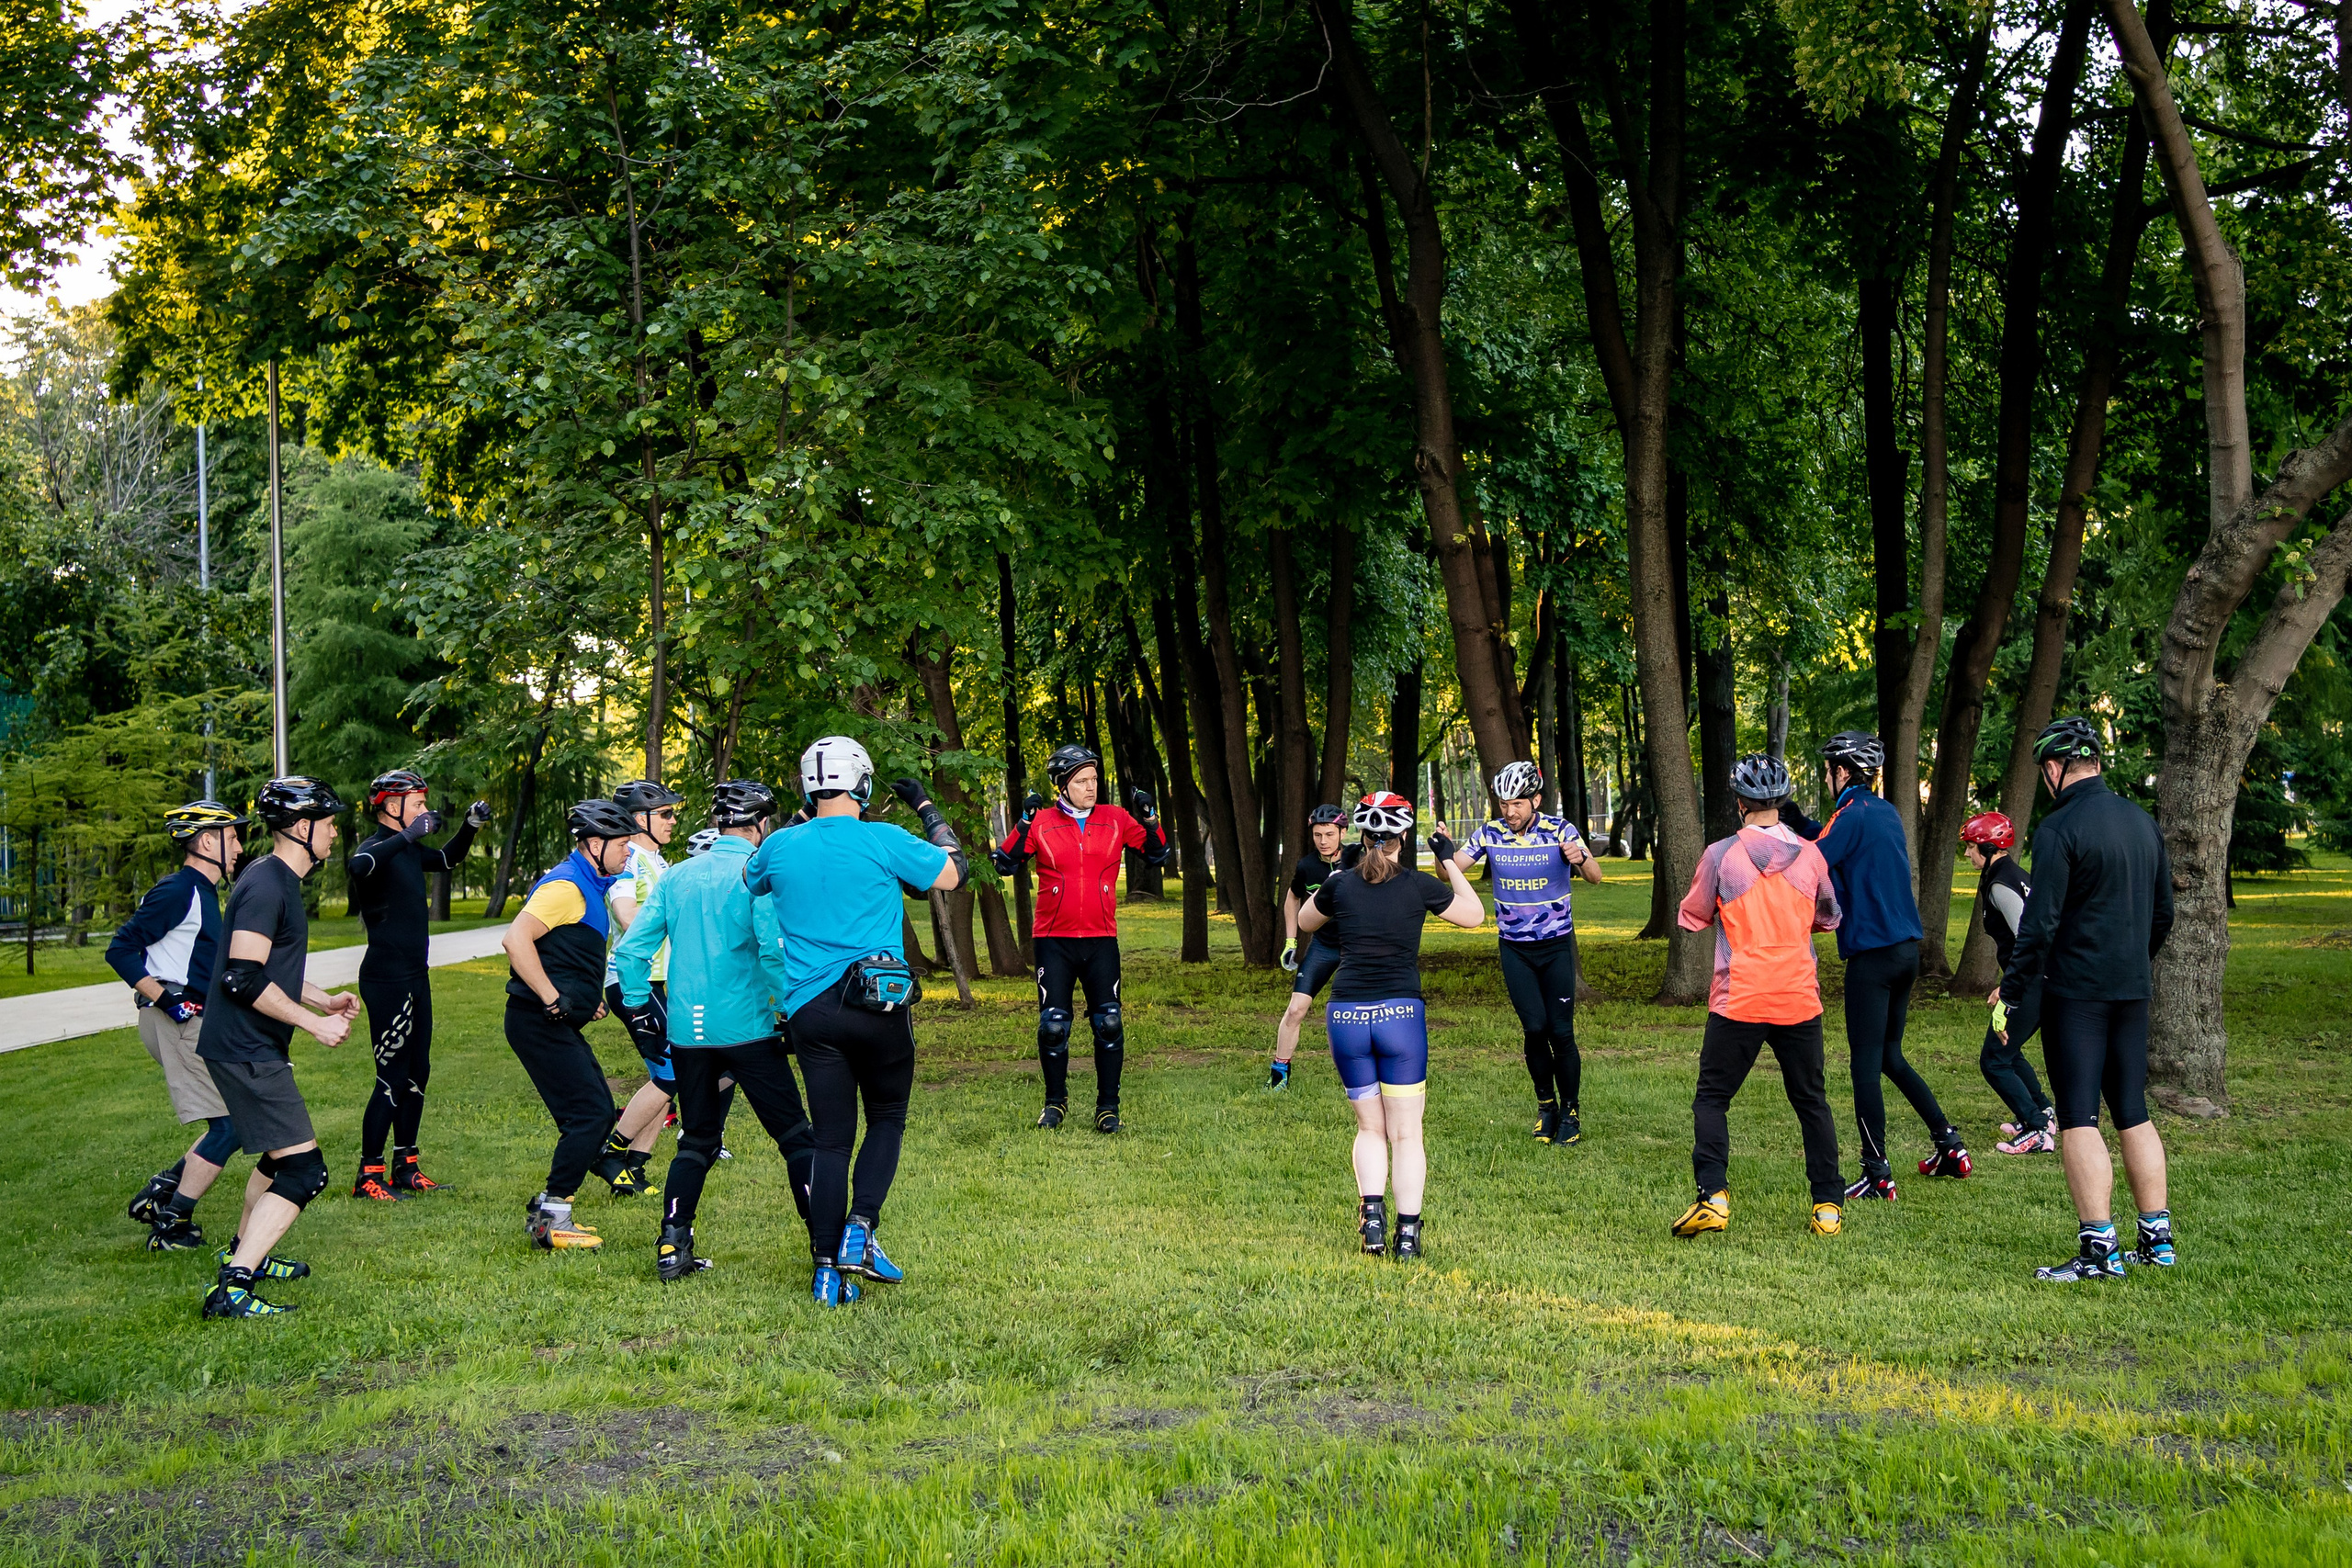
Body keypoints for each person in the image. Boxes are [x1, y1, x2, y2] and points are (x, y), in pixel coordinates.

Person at [746, 736, 965, 1307]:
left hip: (810, 1011)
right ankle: (860, 1230)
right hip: (877, 1002)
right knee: (887, 1118)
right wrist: (926, 808)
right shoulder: (882, 838)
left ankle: (825, 1273)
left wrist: (798, 817)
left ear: (807, 786)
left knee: (831, 1140)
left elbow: (752, 875)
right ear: (862, 783)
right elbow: (951, 874)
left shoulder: (781, 847)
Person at [614, 779, 820, 1283]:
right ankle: (825, 1243)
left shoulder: (676, 875)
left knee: (697, 1142)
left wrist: (640, 1008)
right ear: (761, 825)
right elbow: (772, 952)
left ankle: (671, 1244)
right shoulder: (754, 874)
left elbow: (631, 949)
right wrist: (792, 1009)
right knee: (796, 1137)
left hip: (689, 1031)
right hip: (748, 1028)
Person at [2000, 717, 2177, 1282]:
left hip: (2076, 991)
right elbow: (2164, 914)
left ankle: (2100, 1253)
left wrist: (2012, 988)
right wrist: (2131, 959)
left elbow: (2041, 922)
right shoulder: (2141, 821)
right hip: (2132, 987)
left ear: (2053, 769)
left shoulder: (2059, 828)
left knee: (2078, 1116)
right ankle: (2158, 1240)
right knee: (2133, 1111)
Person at [195, 778, 361, 1318]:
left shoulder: (278, 880)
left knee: (275, 1157)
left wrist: (323, 999)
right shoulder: (268, 884)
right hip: (245, 1048)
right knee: (304, 1170)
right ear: (301, 827)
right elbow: (240, 979)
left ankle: (244, 1258)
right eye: (330, 823)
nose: (336, 832)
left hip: (246, 1044)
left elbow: (268, 967)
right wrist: (313, 1026)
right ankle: (234, 1286)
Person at [1295, 792, 1484, 1259]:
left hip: (1347, 1018)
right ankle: (1408, 1236)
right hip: (1400, 1018)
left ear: (1361, 836)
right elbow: (1475, 915)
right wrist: (1447, 860)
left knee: (1369, 1129)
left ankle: (1373, 1222)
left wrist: (1336, 881)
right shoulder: (1420, 885)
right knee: (1406, 1133)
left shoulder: (1340, 885)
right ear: (1403, 837)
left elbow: (1304, 920)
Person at [1782, 731, 1968, 1201]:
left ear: (1842, 772)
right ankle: (1949, 1144)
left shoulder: (1850, 815)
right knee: (1890, 1057)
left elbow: (1808, 864)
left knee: (1864, 1066)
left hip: (1872, 957)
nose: (1826, 776)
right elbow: (1828, 842)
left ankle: (1876, 1171)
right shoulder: (1881, 811)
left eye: (1828, 769)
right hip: (1906, 951)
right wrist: (1799, 821)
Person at [1672, 755, 1847, 1239]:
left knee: (1712, 1098)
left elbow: (1692, 915)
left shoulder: (1722, 854)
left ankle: (1713, 1196)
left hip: (1740, 997)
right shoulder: (1812, 855)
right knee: (1812, 1101)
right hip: (1797, 995)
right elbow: (1829, 916)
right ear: (1783, 799)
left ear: (1740, 800)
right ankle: (1828, 1205)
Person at [990, 742, 1170, 1133]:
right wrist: (1022, 823)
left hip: (1101, 939)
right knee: (1053, 1026)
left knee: (1109, 1022)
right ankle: (1055, 1105)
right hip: (1053, 940)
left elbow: (1158, 855)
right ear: (1062, 784)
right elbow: (1005, 862)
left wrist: (1151, 818)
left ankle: (1108, 1108)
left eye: (1093, 779)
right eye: (1082, 780)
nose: (1091, 787)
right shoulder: (1042, 822)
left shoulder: (1115, 818)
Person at [107, 801, 248, 1252]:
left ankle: (164, 1189)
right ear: (208, 841)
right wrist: (168, 1000)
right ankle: (172, 1222)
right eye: (233, 837)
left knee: (230, 1122)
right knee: (230, 1126)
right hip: (176, 1021)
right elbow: (121, 948)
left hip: (191, 1020)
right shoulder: (180, 890)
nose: (240, 847)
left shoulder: (202, 891)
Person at [500, 800, 639, 1251]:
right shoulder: (565, 887)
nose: (629, 853)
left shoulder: (590, 884)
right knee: (590, 1114)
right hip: (535, 1020)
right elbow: (515, 939)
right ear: (594, 844)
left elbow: (565, 951)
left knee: (596, 1109)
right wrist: (552, 998)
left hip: (550, 1021)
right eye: (622, 844)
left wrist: (583, 999)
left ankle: (549, 1207)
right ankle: (552, 1216)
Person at [345, 769, 490, 1201]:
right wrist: (408, 836)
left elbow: (445, 860)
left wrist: (470, 826)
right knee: (390, 1077)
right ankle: (368, 1175)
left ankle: (406, 1164)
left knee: (417, 1072)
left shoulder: (406, 849)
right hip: (386, 980)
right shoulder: (376, 848)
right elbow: (360, 866)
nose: (425, 812)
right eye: (418, 803)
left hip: (415, 976)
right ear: (392, 807)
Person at [1447, 761, 1604, 1145]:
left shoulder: (1560, 830)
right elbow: (1451, 869)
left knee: (1561, 1032)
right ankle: (1546, 1106)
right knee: (1534, 1028)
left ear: (1535, 799)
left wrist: (1579, 858)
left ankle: (1571, 1110)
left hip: (1555, 947)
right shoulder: (1490, 833)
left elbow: (1596, 876)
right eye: (1503, 803)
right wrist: (1443, 851)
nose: (1509, 811)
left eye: (1517, 803)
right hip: (1515, 948)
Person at [594, 778, 687, 1199]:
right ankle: (611, 1152)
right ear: (638, 819)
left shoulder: (658, 861)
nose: (673, 819)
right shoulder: (628, 859)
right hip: (634, 980)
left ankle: (633, 1169)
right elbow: (628, 916)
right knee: (673, 1071)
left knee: (664, 1075)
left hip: (661, 980)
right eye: (665, 813)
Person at [1962, 811, 2058, 1155]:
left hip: (2034, 979)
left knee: (1994, 1059)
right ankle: (2043, 1113)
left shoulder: (2001, 884)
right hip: (2037, 977)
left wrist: (2010, 987)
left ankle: (2036, 1128)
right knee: (2008, 1050)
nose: (1968, 854)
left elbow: (2028, 940)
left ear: (1988, 848)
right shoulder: (2010, 875)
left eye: (1971, 847)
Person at [1268, 804, 1358, 1089]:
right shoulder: (1306, 866)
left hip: (1356, 947)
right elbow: (1292, 899)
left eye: (1330, 834)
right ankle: (1279, 1077)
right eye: (1318, 835)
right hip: (1324, 945)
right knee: (1295, 1010)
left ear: (1342, 832)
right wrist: (1291, 941)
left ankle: (1369, 1076)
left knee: (1358, 1011)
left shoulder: (1359, 858)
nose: (1323, 841)